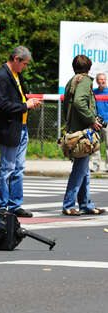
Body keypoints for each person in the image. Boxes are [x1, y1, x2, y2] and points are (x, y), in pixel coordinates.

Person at [0, 46, 41, 218]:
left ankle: (15, 205)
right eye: (25, 64)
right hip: (10, 128)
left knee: (19, 168)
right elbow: (2, 105)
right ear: (16, 59)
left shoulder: (16, 75)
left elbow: (17, 98)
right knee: (6, 168)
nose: (25, 67)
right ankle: (1, 206)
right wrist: (24, 105)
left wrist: (27, 100)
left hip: (21, 127)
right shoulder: (2, 77)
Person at [62, 55, 106, 216]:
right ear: (89, 67)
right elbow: (80, 102)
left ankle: (85, 203)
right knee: (79, 170)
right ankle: (68, 204)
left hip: (74, 131)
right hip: (82, 133)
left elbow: (69, 104)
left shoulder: (72, 81)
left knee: (84, 170)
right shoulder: (85, 81)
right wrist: (91, 119)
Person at [90, 73, 108, 172]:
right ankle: (96, 165)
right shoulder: (94, 93)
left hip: (107, 122)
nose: (102, 81)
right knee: (95, 144)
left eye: (104, 79)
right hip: (96, 122)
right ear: (97, 81)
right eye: (100, 79)